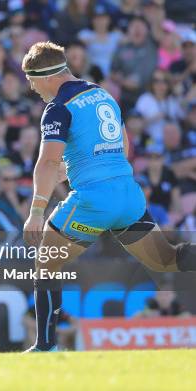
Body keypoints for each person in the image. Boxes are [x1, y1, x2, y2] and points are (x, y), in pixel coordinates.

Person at [20, 41, 196, 352]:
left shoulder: (58, 107)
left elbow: (47, 162)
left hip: (94, 200)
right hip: (128, 195)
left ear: (46, 76)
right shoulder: (101, 93)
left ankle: (45, 346)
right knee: (168, 260)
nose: (32, 89)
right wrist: (74, 167)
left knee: (46, 264)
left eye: (31, 81)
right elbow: (124, 146)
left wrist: (36, 210)